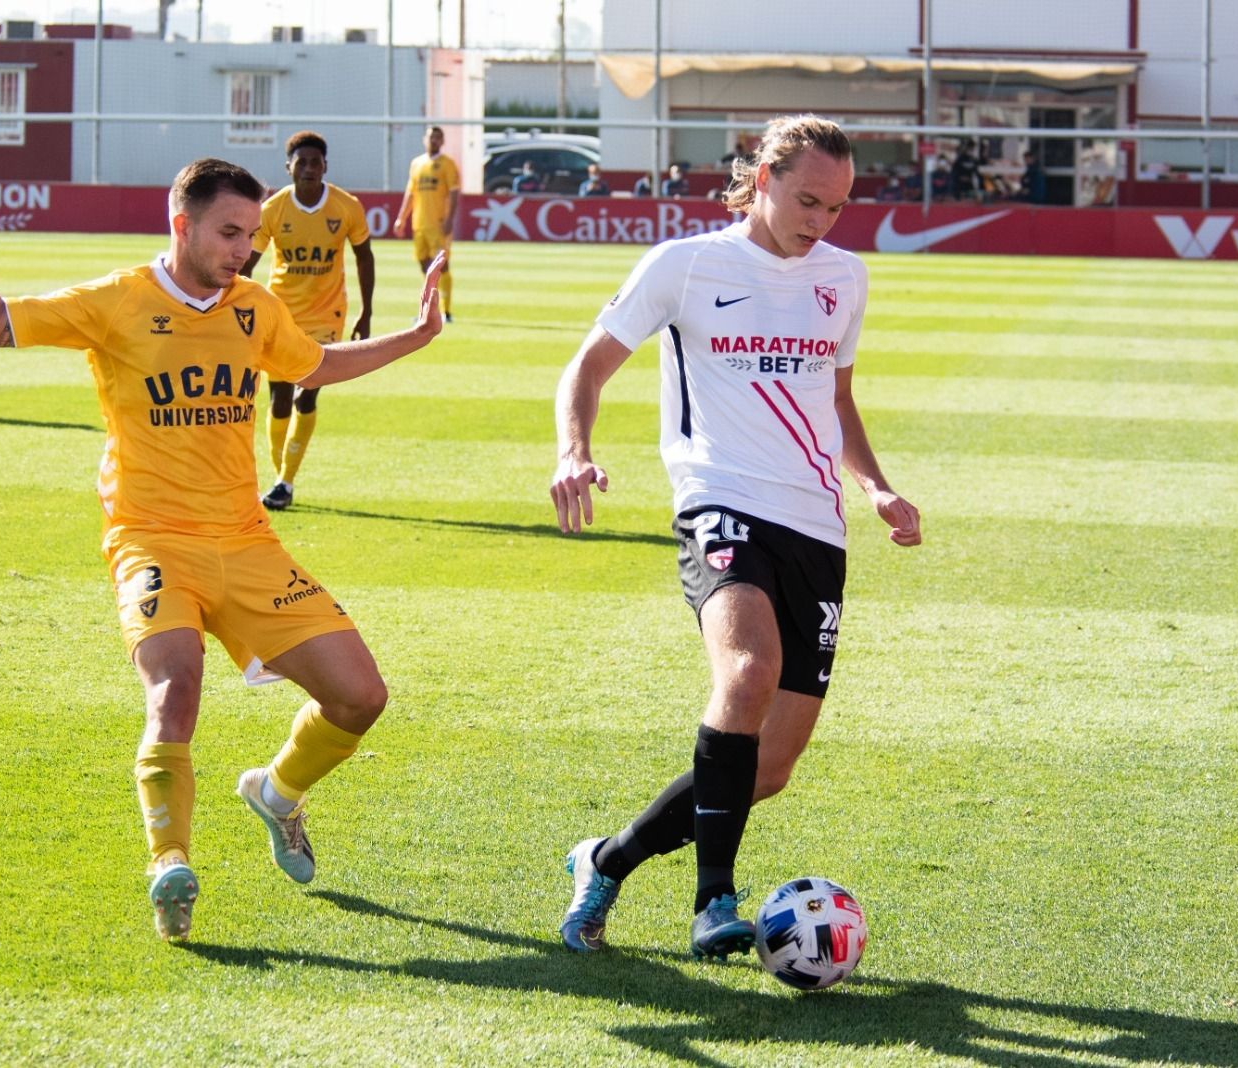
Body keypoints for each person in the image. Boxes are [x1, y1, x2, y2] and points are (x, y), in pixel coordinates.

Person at [0, 142, 445, 942]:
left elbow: (314, 364)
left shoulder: (253, 306)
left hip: (246, 542)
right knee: (176, 689)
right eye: (233, 234)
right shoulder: (117, 301)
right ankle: (169, 863)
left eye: (252, 237)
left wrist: (417, 335)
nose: (248, 252)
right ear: (182, 224)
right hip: (152, 541)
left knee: (360, 696)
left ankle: (275, 794)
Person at [548, 114, 921, 960]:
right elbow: (588, 366)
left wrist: (876, 486)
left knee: (770, 768)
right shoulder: (686, 265)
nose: (821, 220)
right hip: (720, 502)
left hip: (816, 527)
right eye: (808, 199)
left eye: (838, 206)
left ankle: (605, 861)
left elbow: (838, 397)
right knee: (747, 672)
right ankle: (714, 901)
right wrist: (575, 451)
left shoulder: (845, 279)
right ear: (763, 179)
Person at [241, 130, 374, 512]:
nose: (310, 168)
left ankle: (285, 481)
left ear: (325, 166)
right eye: (302, 162)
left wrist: (366, 311)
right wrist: (238, 308)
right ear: (289, 168)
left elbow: (364, 256)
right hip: (280, 312)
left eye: (316, 162)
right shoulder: (272, 210)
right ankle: (281, 471)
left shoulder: (346, 207)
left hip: (326, 315)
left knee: (308, 389)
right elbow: (248, 265)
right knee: (279, 399)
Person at [394, 125, 459, 323]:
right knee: (424, 267)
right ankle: (429, 310)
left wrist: (449, 220)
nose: (434, 141)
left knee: (441, 266)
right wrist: (401, 218)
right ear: (425, 139)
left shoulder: (448, 164)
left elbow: (454, 193)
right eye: (431, 137)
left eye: (438, 138)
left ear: (443, 141)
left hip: (439, 225)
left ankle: (446, 312)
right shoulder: (416, 163)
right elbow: (410, 193)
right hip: (419, 224)